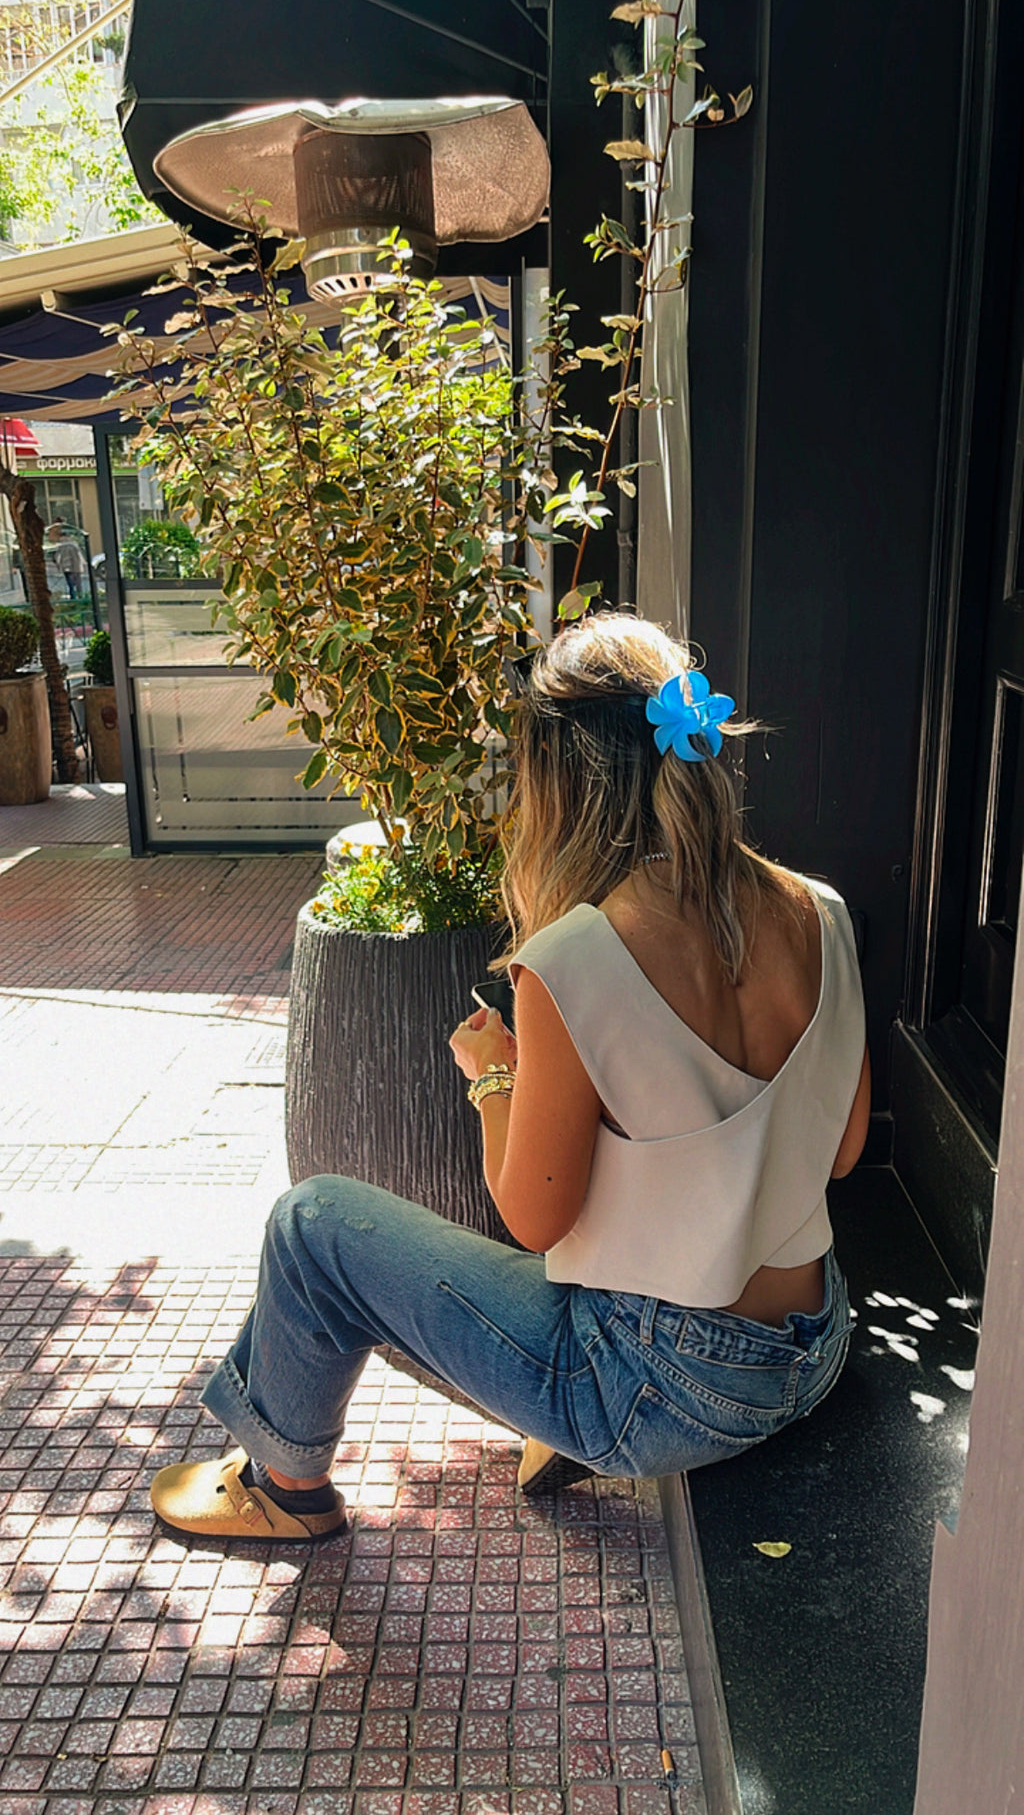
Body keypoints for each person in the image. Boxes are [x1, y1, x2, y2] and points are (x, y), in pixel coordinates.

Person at [150, 613, 869, 1540]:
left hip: (657, 1394)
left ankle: (283, 1485)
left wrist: (496, 1078)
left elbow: (534, 1216)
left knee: (312, 1225)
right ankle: (544, 1421)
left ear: (561, 781)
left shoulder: (575, 958)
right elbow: (841, 1152)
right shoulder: (821, 911)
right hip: (811, 1348)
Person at [46, 520, 86, 601]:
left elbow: (58, 556)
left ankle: (73, 598)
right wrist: (82, 564)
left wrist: (58, 565)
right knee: (78, 584)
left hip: (67, 567)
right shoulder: (74, 544)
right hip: (77, 567)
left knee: (70, 584)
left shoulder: (62, 545)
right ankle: (80, 597)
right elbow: (79, 556)